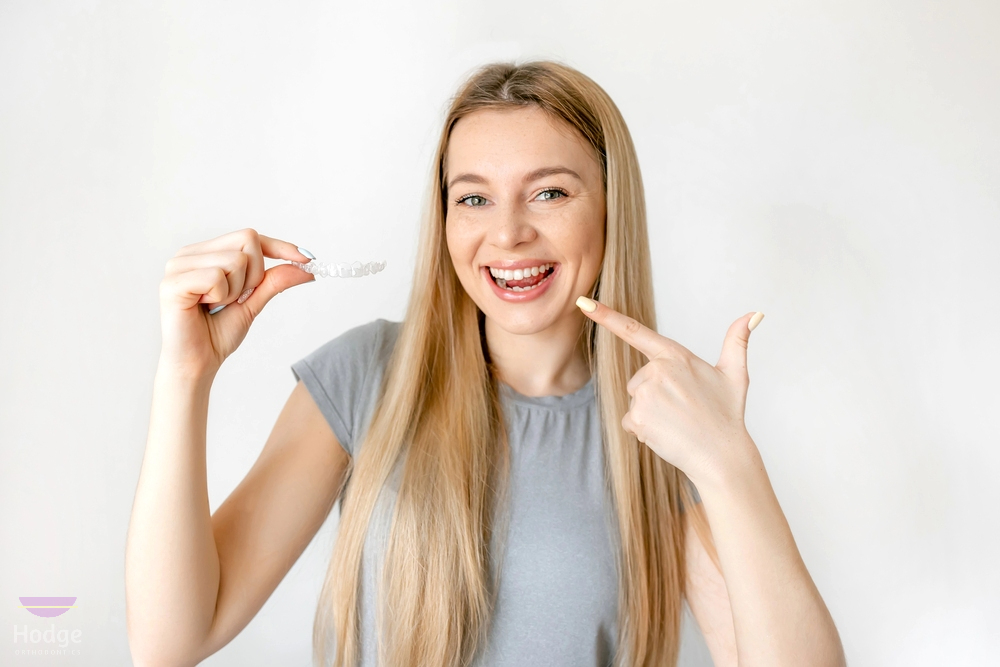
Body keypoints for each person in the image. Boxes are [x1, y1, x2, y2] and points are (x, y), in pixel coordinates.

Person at [125, 61, 846, 667]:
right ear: (444, 222)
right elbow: (171, 639)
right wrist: (184, 375)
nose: (508, 232)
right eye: (474, 197)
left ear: (610, 208)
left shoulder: (661, 426)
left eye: (550, 192)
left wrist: (729, 462)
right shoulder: (365, 375)